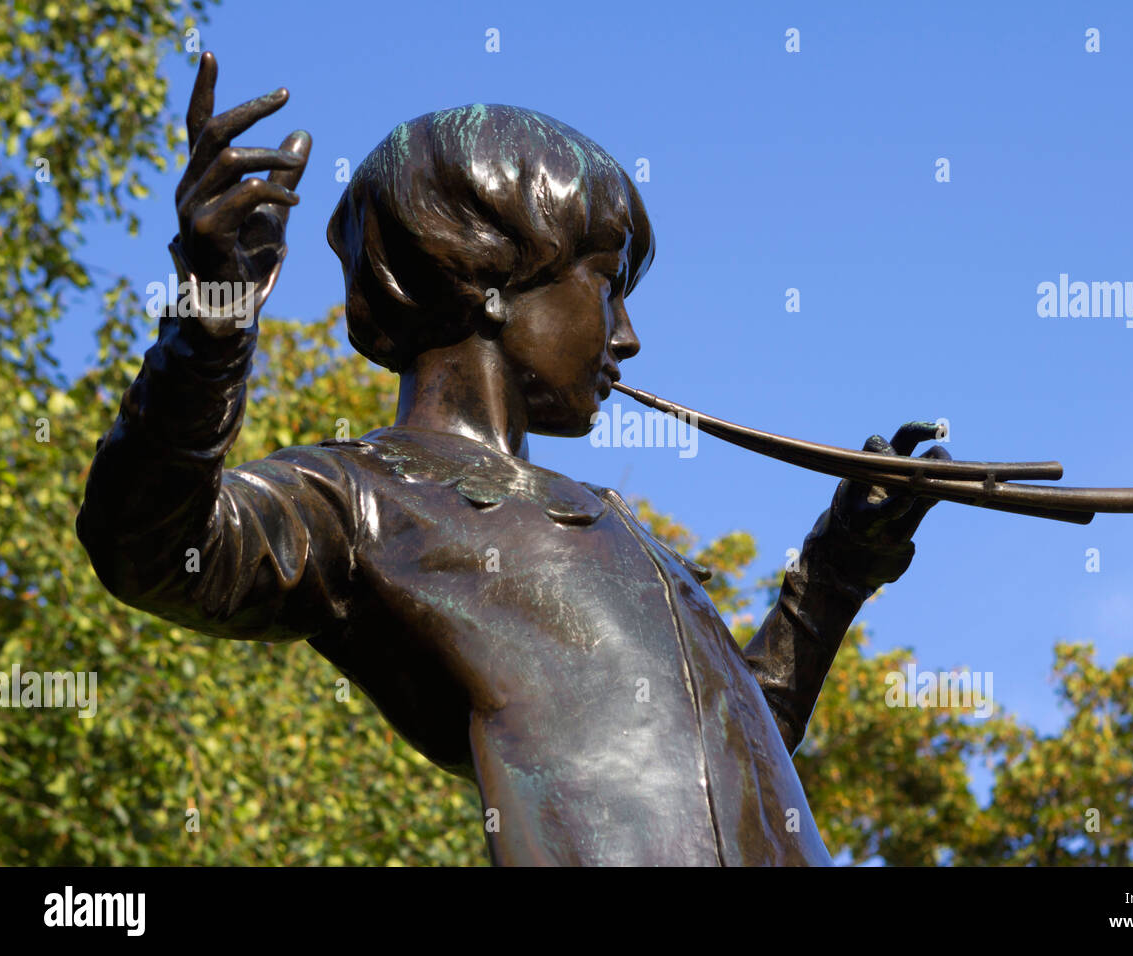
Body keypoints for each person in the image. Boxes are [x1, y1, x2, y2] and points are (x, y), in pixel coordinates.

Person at [78, 52, 949, 866]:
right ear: (490, 280)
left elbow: (742, 731)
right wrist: (211, 320)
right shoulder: (360, 495)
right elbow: (153, 548)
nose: (629, 337)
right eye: (606, 286)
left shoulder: (613, 523)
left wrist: (835, 570)